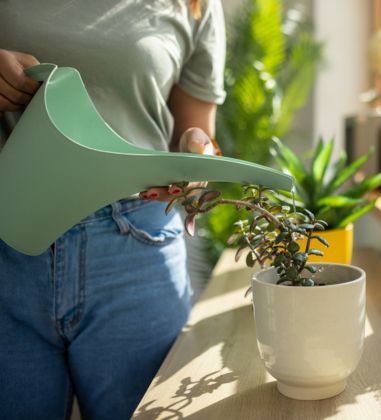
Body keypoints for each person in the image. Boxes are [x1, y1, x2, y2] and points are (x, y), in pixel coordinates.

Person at [0, 1, 226, 419]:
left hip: (137, 250)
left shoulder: (195, 6)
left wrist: (198, 157)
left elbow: (196, 132)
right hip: (9, 242)